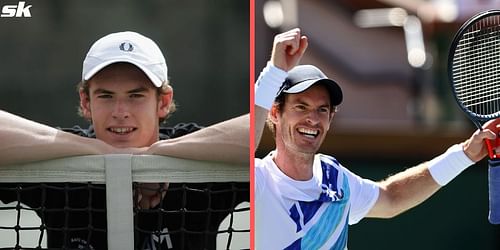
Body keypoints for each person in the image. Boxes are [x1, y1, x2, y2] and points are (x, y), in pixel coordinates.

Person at [254, 28, 500, 249]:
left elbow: (392, 197)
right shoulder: (257, 179)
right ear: (275, 113)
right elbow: (242, 141)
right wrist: (274, 72)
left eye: (322, 110)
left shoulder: (335, 178)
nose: (313, 119)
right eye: (301, 107)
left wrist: (465, 153)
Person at [0, 31, 249, 249]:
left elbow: (275, 127)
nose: (120, 112)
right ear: (86, 102)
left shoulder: (198, 155)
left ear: (162, 102)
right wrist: (92, 149)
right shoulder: (60, 159)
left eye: (135, 95)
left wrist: (159, 157)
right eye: (106, 96)